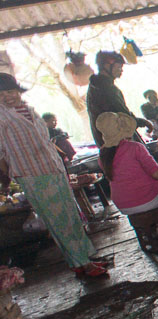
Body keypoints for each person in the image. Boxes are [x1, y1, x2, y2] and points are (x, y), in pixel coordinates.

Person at [0, 74, 107, 278]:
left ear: (18, 91)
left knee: (71, 215)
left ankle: (83, 258)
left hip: (53, 167)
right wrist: (9, 176)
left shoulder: (29, 110)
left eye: (11, 91)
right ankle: (81, 263)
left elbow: (43, 139)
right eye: (2, 94)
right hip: (30, 173)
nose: (8, 97)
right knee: (57, 220)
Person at [95, 112, 158, 216]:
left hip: (123, 206)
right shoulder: (134, 147)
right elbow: (157, 174)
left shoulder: (103, 155)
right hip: (146, 200)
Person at [85, 50, 149, 147]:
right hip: (118, 143)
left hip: (108, 145)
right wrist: (141, 122)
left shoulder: (94, 86)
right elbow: (122, 115)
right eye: (119, 67)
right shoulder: (106, 88)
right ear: (107, 66)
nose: (121, 70)